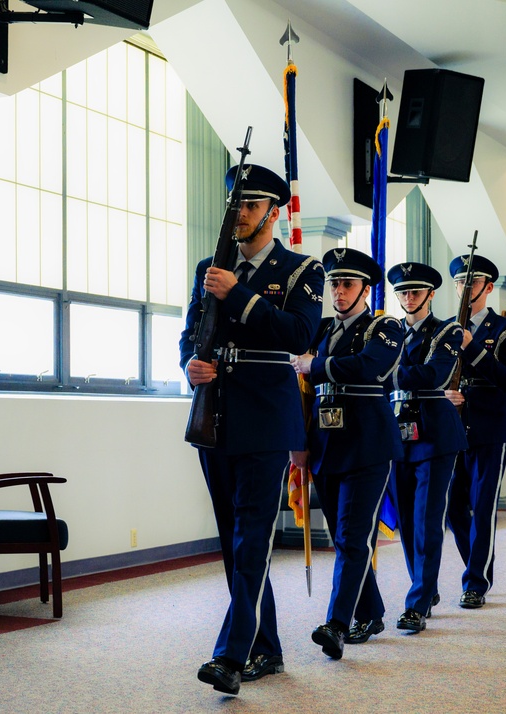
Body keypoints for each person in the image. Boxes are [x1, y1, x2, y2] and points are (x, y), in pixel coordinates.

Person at [179, 163, 324, 695]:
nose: (237, 214)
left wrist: (240, 294)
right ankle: (267, 647)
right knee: (231, 540)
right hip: (214, 417)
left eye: (249, 205)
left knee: (253, 538)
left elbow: (301, 335)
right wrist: (189, 365)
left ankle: (231, 655)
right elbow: (190, 332)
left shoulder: (302, 270)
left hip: (266, 420)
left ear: (272, 211)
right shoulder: (208, 267)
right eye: (234, 205)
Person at [290, 248, 403, 660]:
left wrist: (315, 364)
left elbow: (370, 366)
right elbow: (297, 379)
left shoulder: (384, 325)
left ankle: (337, 624)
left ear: (365, 289)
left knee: (355, 537)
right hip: (325, 445)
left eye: (347, 284)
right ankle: (371, 612)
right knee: (344, 538)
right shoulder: (320, 330)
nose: (338, 292)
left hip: (368, 446)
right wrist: (297, 442)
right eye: (334, 284)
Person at [385, 262, 467, 633]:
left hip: (435, 434)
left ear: (431, 295)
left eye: (415, 292)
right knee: (404, 519)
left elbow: (434, 374)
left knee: (426, 520)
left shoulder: (447, 331)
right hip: (397, 433)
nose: (408, 298)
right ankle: (425, 585)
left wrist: (381, 369)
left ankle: (417, 603)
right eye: (402, 292)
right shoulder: (387, 331)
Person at [444, 254, 506, 609]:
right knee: (453, 508)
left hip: (491, 425)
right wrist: (444, 393)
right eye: (460, 282)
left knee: (483, 505)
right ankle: (475, 567)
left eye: (472, 283)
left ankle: (475, 581)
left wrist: (471, 345)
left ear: (488, 288)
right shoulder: (443, 328)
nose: (464, 289)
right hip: (451, 426)